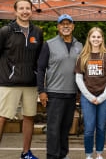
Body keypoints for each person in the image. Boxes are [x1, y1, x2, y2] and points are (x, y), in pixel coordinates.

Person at [0, 0, 43, 159]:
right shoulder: (6, 31)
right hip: (10, 83)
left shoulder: (38, 32)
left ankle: (26, 153)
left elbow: (40, 58)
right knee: (1, 118)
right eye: (21, 8)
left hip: (30, 83)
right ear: (15, 11)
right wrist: (8, 72)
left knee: (29, 117)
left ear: (31, 10)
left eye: (28, 8)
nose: (25, 11)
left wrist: (35, 75)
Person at [37, 14, 83, 159]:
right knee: (53, 128)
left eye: (68, 23)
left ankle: (63, 154)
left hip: (71, 93)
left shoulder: (79, 45)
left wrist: (80, 91)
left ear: (73, 26)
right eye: (62, 24)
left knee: (65, 127)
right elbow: (41, 69)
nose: (65, 26)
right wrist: (41, 91)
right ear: (58, 27)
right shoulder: (49, 44)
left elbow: (82, 70)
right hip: (54, 93)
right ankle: (52, 155)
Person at [75, 27, 106, 159]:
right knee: (89, 129)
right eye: (93, 37)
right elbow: (79, 79)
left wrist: (103, 96)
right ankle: (88, 155)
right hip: (88, 98)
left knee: (101, 127)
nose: (96, 39)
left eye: (98, 37)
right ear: (89, 38)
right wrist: (90, 96)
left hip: (104, 97)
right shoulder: (83, 56)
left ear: (102, 39)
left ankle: (99, 153)